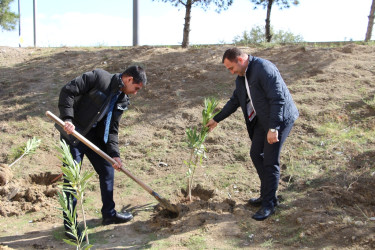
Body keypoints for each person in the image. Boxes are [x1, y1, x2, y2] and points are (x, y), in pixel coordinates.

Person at [206, 48, 299, 221]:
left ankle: (269, 204)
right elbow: (235, 101)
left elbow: (278, 99)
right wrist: (217, 119)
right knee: (256, 153)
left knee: (270, 160)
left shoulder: (264, 69)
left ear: (240, 60)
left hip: (279, 119)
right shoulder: (241, 78)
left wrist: (274, 128)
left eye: (231, 68)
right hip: (262, 119)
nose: (231, 72)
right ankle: (267, 194)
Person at [57, 66, 147, 239]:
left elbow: (112, 129)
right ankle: (71, 226)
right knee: (72, 179)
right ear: (129, 80)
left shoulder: (122, 100)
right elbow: (68, 91)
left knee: (107, 170)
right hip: (73, 133)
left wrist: (114, 154)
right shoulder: (99, 78)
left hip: (94, 137)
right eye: (136, 88)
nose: (135, 93)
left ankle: (109, 214)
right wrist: (67, 119)